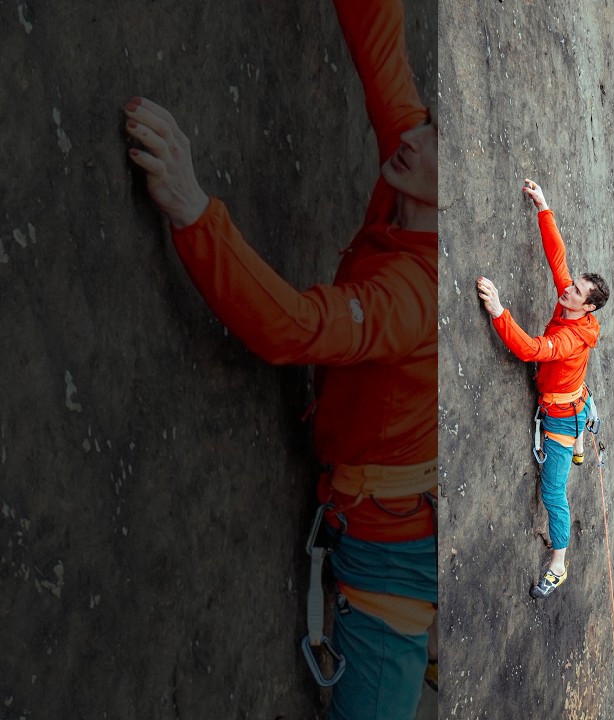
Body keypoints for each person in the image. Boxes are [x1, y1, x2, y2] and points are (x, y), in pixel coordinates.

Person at [123, 1, 437, 717]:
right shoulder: (416, 168)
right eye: (428, 126)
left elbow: (295, 328)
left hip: (392, 563)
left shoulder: (417, 295)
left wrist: (193, 210)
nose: (415, 135)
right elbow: (382, 53)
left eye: (434, 140)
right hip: (395, 509)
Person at [476, 179, 610, 599]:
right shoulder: (574, 307)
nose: (567, 289)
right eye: (573, 286)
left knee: (553, 493)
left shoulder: (570, 338)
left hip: (561, 418)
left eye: (576, 291)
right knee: (579, 398)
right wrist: (543, 207)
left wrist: (499, 312)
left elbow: (532, 349)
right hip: (576, 397)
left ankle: (559, 563)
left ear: (587, 306)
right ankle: (584, 435)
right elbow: (558, 259)